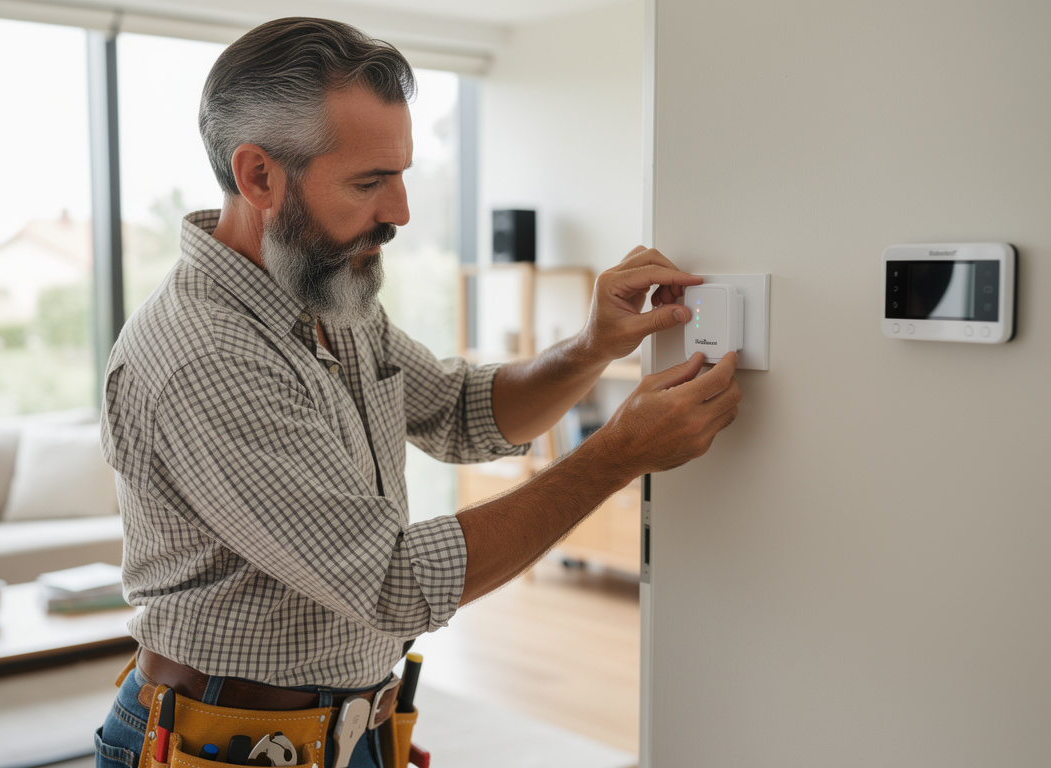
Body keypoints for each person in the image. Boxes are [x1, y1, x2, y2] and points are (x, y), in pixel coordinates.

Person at [94, 16, 741, 768]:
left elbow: (463, 412)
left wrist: (591, 347)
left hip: (353, 732)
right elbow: (393, 581)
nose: (400, 211)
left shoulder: (327, 292)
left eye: (400, 174)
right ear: (259, 176)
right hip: (224, 751)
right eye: (369, 183)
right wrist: (617, 454)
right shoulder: (205, 355)